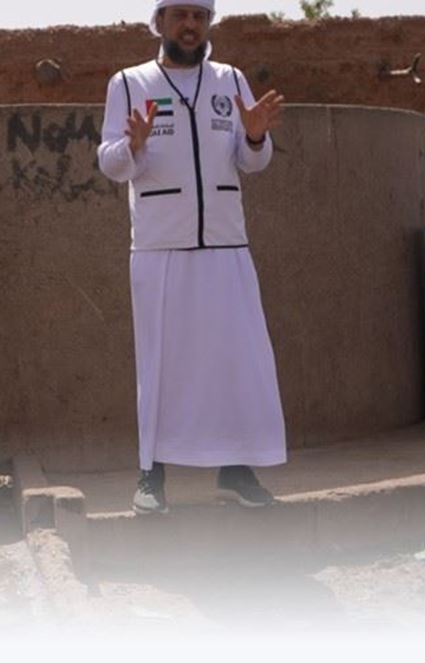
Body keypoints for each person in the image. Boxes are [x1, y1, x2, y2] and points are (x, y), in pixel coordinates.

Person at [97, 0, 287, 514]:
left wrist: (255, 134)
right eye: (179, 15)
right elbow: (110, 163)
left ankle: (236, 472)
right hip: (160, 247)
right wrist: (133, 146)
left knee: (235, 360)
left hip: (225, 244)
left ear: (208, 24)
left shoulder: (230, 80)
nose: (189, 25)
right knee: (161, 365)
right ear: (159, 22)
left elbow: (252, 161)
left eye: (199, 17)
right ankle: (151, 475)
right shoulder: (129, 83)